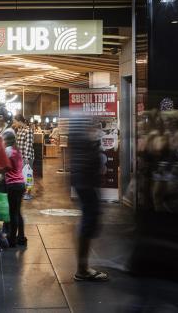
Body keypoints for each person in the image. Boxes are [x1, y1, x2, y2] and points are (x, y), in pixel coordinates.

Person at [68, 111, 108, 282]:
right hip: (86, 183)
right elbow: (93, 161)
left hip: (82, 182)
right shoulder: (85, 142)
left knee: (88, 219)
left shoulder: (77, 140)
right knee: (88, 221)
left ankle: (83, 268)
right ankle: (82, 270)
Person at [2, 130, 27, 247]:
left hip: (12, 184)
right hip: (21, 183)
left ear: (7, 140)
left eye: (3, 139)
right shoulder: (17, 150)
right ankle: (21, 237)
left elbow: (2, 166)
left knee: (12, 213)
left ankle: (12, 239)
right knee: (18, 211)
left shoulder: (8, 150)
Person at [14, 115, 35, 201]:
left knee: (28, 175)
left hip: (27, 157)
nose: (14, 123)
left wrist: (26, 158)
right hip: (20, 157)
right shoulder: (19, 130)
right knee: (22, 175)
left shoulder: (28, 130)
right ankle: (24, 192)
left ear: (19, 121)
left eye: (15, 121)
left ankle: (28, 193)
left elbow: (28, 145)